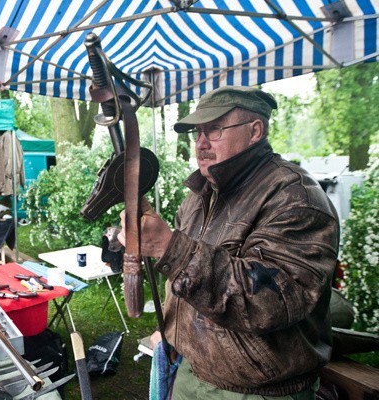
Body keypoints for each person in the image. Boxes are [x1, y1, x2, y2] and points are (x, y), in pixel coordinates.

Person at [118, 86, 340, 399]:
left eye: (214, 130)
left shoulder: (296, 198)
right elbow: (185, 282)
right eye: (197, 132)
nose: (201, 143)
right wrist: (170, 329)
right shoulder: (200, 197)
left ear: (255, 131)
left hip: (256, 390)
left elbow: (271, 303)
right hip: (190, 369)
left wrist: (170, 247)